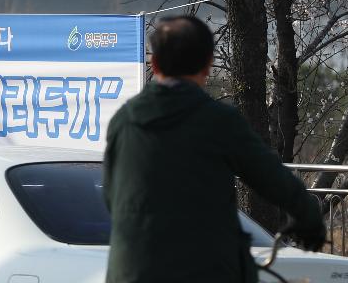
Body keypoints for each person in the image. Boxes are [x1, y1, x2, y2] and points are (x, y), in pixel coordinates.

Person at [103, 14, 326, 283]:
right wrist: (308, 215)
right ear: (208, 64)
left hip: (131, 271)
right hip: (205, 269)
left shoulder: (124, 121)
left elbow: (110, 196)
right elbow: (271, 177)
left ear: (155, 63)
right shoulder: (217, 121)